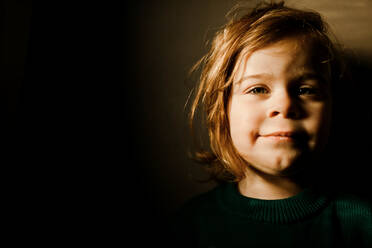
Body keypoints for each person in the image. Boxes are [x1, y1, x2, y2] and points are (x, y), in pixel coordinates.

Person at [168, 1, 372, 247]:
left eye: (305, 89)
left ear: (333, 109)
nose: (285, 105)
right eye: (258, 89)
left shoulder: (361, 224)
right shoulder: (190, 226)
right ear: (222, 112)